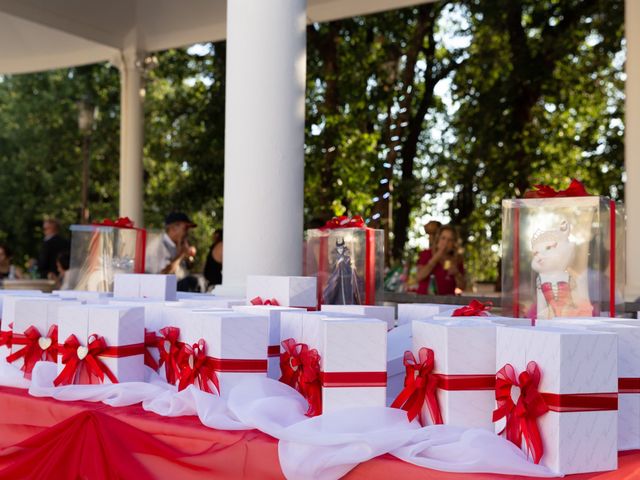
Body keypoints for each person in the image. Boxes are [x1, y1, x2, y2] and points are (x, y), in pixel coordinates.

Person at [145, 212, 198, 290]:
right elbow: (163, 276)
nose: (187, 232)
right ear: (173, 228)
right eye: (185, 228)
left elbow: (187, 268)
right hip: (160, 291)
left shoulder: (179, 244)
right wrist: (181, 254)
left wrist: (189, 257)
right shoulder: (158, 246)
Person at [415, 225, 465, 295]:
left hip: (447, 302)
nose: (446, 242)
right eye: (443, 238)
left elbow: (462, 287)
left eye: (450, 240)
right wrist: (436, 257)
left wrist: (457, 274)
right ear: (438, 239)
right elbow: (418, 277)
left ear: (454, 243)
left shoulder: (457, 259)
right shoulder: (426, 254)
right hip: (424, 301)